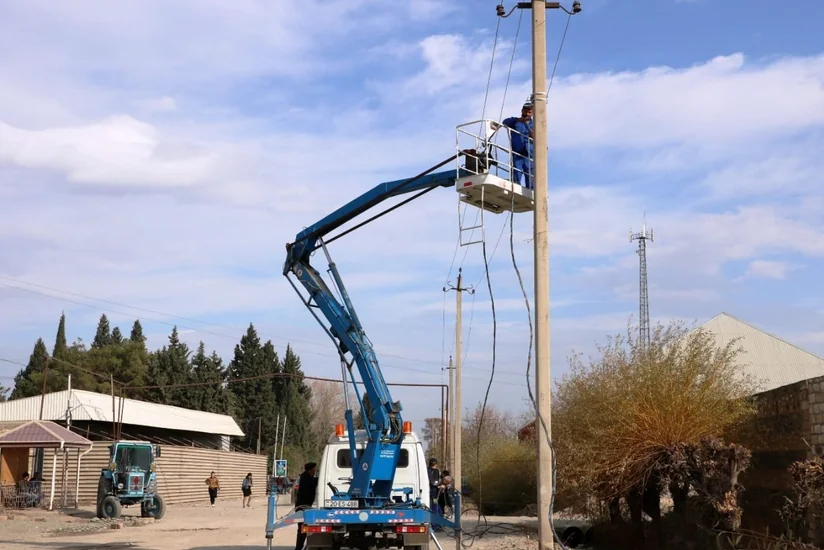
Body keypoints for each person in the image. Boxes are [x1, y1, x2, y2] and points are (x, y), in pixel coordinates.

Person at [502, 100, 535, 189]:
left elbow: (536, 136)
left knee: (530, 174)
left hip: (529, 154)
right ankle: (516, 186)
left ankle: (531, 190)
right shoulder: (515, 121)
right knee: (517, 171)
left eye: (529, 112)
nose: (527, 113)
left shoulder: (535, 124)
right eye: (525, 111)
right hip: (518, 152)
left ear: (532, 113)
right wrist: (518, 120)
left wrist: (527, 126)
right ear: (522, 111)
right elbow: (505, 122)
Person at [294, 462, 318, 550]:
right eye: (314, 469)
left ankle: (299, 547)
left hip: (304, 506)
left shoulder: (306, 476)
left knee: (303, 528)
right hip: (302, 507)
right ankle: (298, 548)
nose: (315, 471)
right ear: (310, 470)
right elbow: (314, 482)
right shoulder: (306, 478)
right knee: (302, 528)